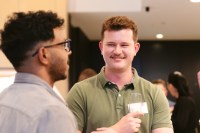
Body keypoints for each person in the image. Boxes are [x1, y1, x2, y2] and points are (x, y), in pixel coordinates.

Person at [66, 16, 173, 133]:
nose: (117, 51)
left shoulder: (154, 94)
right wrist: (115, 130)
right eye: (111, 44)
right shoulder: (80, 92)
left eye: (124, 45)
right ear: (101, 47)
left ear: (136, 49)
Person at [0, 11, 77, 133]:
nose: (68, 51)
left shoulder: (3, 99)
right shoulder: (54, 112)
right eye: (63, 45)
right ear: (44, 55)